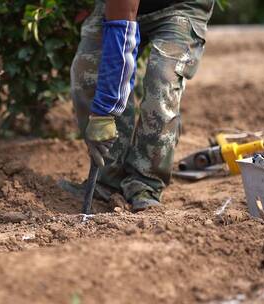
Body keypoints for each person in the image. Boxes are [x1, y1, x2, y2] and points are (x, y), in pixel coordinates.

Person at [61, 0, 214, 212]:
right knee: (88, 72)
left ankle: (145, 184)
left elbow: (121, 28)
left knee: (162, 79)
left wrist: (105, 111)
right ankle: (106, 181)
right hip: (118, 6)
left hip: (181, 5)